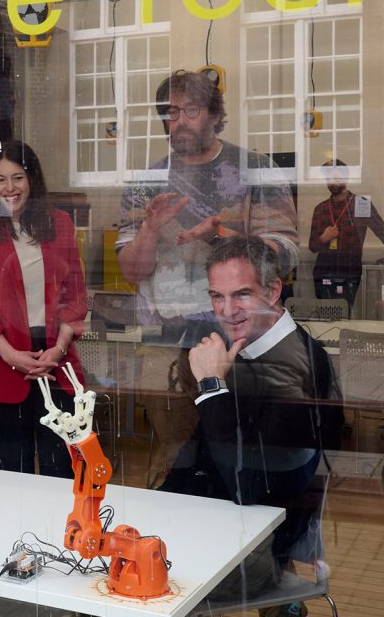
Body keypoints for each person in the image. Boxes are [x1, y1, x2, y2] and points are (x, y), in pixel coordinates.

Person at [115, 68, 299, 484]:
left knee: (246, 459)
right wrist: (148, 228)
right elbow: (131, 270)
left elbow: (284, 255)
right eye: (170, 111)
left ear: (215, 115)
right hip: (167, 344)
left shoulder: (253, 170)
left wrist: (219, 235)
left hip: (244, 344)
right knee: (177, 460)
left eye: (191, 110)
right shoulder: (147, 182)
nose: (178, 120)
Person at [162, 236, 333, 617]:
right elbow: (205, 447)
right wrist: (158, 506)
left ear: (274, 291)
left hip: (251, 548)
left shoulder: (295, 366)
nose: (226, 311)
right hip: (219, 525)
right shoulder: (250, 346)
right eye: (216, 297)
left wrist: (210, 386)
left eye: (241, 294)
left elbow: (248, 484)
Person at [0, 140, 87, 477]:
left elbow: (75, 297)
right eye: (0, 180)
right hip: (1, 365)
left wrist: (58, 349)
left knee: (63, 471)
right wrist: (11, 355)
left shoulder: (59, 224)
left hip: (55, 363)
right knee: (11, 474)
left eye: (18, 177)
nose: (9, 188)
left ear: (33, 180)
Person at [308, 158, 384, 309]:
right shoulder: (321, 208)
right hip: (324, 271)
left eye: (336, 177)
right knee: (324, 313)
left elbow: (383, 232)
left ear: (346, 178)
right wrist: (324, 238)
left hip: (349, 271)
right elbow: (312, 246)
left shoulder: (360, 204)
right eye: (328, 178)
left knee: (343, 312)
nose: (332, 182)